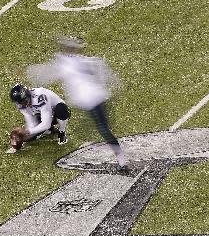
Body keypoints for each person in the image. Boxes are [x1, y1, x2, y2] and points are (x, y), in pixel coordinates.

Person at [27, 36, 126, 165]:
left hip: (92, 101)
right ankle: (112, 151)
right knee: (96, 128)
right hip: (98, 99)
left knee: (101, 129)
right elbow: (101, 69)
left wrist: (33, 71)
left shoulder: (67, 64)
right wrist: (113, 83)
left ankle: (121, 159)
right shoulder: (87, 61)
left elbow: (50, 73)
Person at [7, 83, 70, 153]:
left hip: (57, 112)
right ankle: (50, 131)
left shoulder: (40, 97)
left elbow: (46, 124)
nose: (22, 105)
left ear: (28, 96)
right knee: (28, 138)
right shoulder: (21, 104)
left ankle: (62, 132)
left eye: (24, 102)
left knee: (61, 108)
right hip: (42, 114)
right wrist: (23, 135)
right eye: (19, 103)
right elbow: (31, 121)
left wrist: (29, 131)